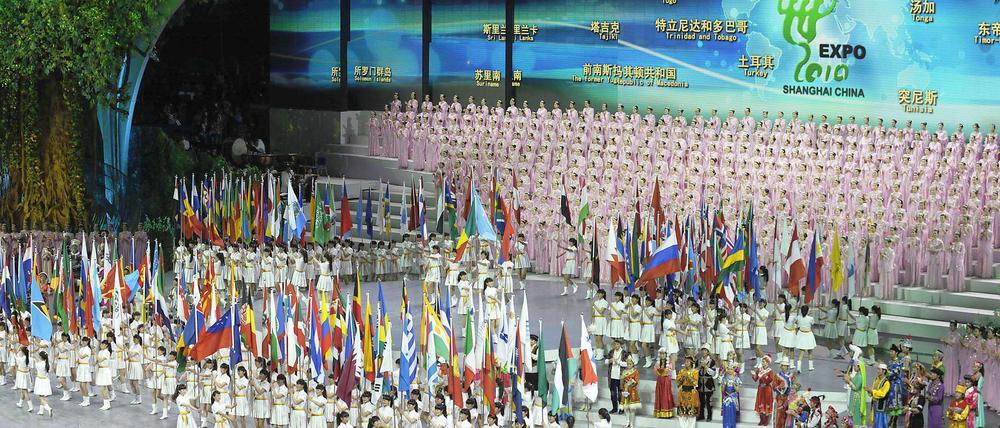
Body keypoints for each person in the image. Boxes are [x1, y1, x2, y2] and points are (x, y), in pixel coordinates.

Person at [751, 354, 775, 425]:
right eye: (762, 361)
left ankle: (766, 421)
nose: (763, 363)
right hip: (761, 389)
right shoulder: (759, 369)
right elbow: (755, 379)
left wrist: (764, 375)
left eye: (764, 361)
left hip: (767, 389)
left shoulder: (770, 371)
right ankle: (761, 420)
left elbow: (770, 380)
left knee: (766, 403)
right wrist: (753, 375)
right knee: (760, 403)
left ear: (767, 362)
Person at [676, 355, 700, 428]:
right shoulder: (681, 371)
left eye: (687, 362)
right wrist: (683, 378)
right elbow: (678, 383)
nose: (686, 363)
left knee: (691, 414)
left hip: (692, 393)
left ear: (691, 363)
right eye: (685, 361)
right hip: (683, 393)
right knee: (681, 413)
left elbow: (695, 383)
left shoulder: (695, 372)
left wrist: (689, 377)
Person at [653, 348, 675, 418]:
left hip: (666, 380)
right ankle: (659, 411)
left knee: (666, 395)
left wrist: (665, 372)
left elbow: (670, 371)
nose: (662, 355)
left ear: (666, 354)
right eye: (661, 354)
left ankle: (667, 411)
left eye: (663, 354)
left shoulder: (669, 363)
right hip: (660, 380)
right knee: (659, 394)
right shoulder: (658, 363)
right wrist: (658, 371)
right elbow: (655, 370)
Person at [620, 354, 640, 428]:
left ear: (633, 364)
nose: (629, 365)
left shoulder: (635, 372)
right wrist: (622, 383)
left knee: (632, 408)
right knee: (626, 407)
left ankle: (632, 424)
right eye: (628, 364)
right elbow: (622, 381)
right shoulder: (624, 371)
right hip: (625, 391)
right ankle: (627, 422)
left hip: (632, 391)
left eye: (630, 364)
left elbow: (636, 381)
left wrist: (632, 382)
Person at [720, 363, 742, 428]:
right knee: (726, 412)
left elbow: (737, 390)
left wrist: (735, 384)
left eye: (731, 369)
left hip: (733, 397)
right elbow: (722, 390)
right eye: (728, 369)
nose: (730, 370)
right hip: (726, 397)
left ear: (733, 370)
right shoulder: (724, 378)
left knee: (732, 412)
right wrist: (723, 385)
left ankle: (732, 425)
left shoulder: (736, 378)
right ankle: (726, 426)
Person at [871, 363, 892, 428]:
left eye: (879, 369)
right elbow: (873, 388)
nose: (877, 371)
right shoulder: (876, 379)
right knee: (875, 420)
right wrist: (871, 391)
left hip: (881, 405)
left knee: (880, 421)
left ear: (884, 371)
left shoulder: (886, 382)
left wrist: (872, 391)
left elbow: (882, 394)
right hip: (875, 403)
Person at [34, 349, 53, 416]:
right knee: (43, 396)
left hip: (40, 380)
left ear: (40, 357)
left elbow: (36, 367)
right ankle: (41, 411)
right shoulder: (48, 364)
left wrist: (35, 359)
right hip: (46, 380)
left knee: (40, 396)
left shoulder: (38, 364)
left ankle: (48, 408)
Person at [14, 346, 32, 411]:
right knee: (22, 390)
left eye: (20, 351)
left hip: (22, 375)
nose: (19, 352)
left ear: (23, 352)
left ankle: (30, 406)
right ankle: (20, 403)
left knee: (25, 391)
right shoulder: (27, 358)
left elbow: (16, 357)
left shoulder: (21, 359)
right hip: (25, 375)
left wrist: (16, 352)